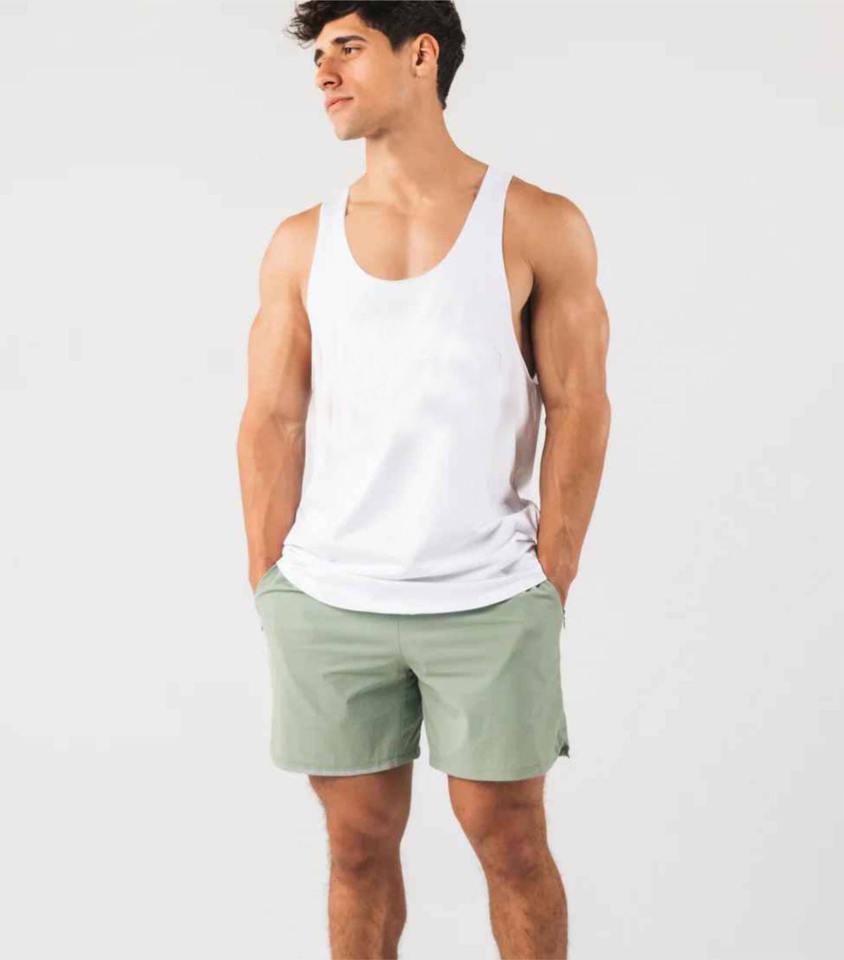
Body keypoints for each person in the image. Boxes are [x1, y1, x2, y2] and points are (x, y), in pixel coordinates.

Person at [237, 3, 610, 956]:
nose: (325, 73)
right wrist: (270, 580)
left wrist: (552, 573)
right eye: (318, 57)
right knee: (357, 847)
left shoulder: (537, 222)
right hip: (329, 599)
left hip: (489, 596)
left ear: (421, 55)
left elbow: (579, 405)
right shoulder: (300, 241)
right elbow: (272, 418)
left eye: (348, 48)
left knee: (511, 842)